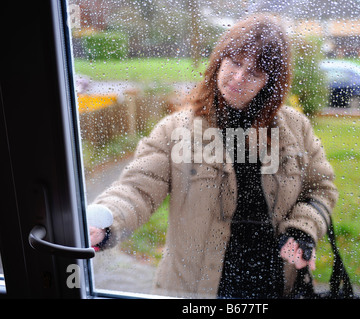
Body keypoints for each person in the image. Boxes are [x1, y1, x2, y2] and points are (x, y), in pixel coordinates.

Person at [88, 13, 338, 299]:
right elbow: (137, 189)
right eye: (235, 61)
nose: (239, 77)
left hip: (276, 287)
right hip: (196, 292)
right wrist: (105, 221)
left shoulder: (295, 128)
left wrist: (303, 228)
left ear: (269, 83)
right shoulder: (175, 129)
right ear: (220, 58)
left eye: (255, 72)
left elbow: (321, 188)